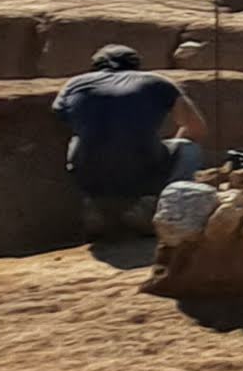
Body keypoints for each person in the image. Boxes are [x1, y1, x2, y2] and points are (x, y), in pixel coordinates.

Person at [54, 42, 208, 238]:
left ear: (96, 66)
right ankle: (155, 208)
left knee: (76, 142)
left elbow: (60, 120)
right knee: (188, 149)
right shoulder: (157, 82)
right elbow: (197, 128)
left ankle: (95, 207)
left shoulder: (74, 84)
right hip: (142, 168)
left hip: (88, 172)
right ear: (136, 65)